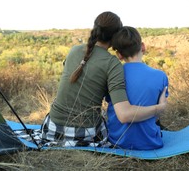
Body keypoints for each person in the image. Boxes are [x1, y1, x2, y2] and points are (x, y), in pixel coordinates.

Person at [41, 12, 167, 147]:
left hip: (51, 129)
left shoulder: (74, 50)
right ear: (115, 39)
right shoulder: (112, 63)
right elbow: (124, 115)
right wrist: (159, 108)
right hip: (85, 134)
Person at [106, 26, 169, 150]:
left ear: (119, 55)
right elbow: (156, 116)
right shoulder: (161, 76)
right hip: (150, 143)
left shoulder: (112, 76)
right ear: (143, 47)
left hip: (117, 141)